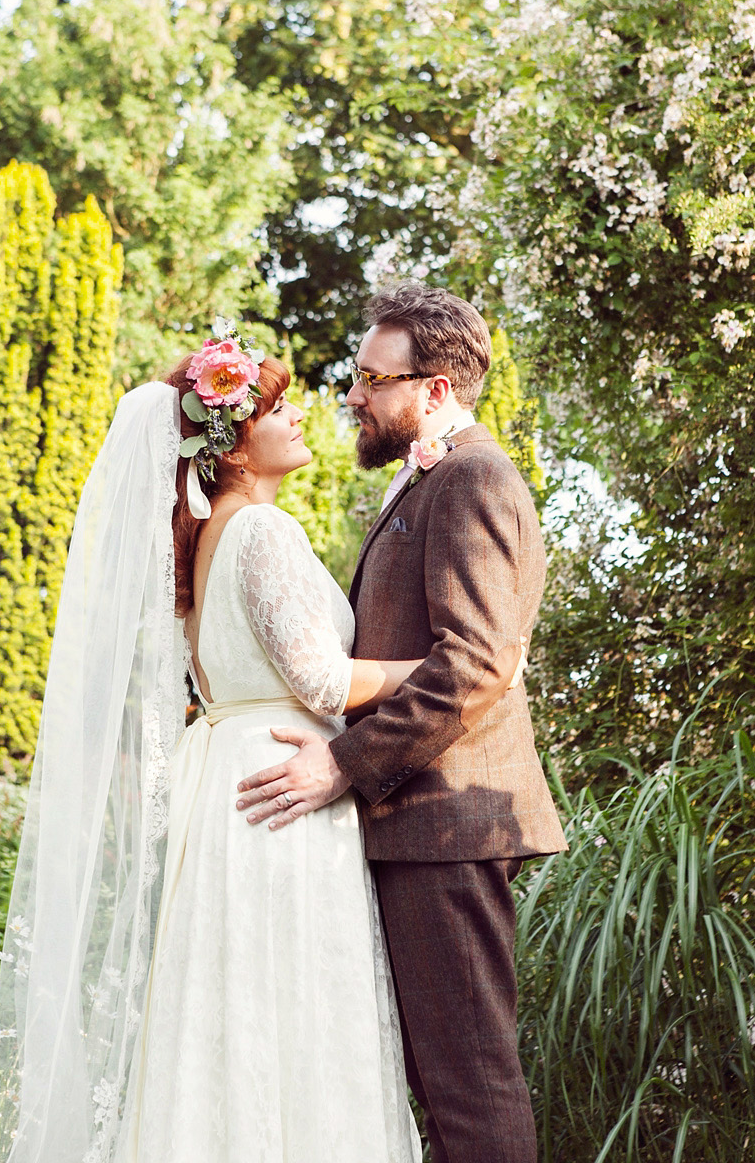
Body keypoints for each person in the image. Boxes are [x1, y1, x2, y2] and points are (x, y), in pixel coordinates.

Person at [0, 322, 431, 1163]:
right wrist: (449, 665)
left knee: (227, 1017)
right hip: (283, 791)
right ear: (232, 447)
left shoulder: (201, 551)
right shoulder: (261, 530)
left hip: (230, 787)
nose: (301, 417)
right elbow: (322, 682)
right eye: (277, 407)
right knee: (292, 1013)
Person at [236, 282, 569, 1163]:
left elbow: (476, 663)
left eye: (370, 379)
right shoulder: (423, 479)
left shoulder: (475, 479)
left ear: (434, 390)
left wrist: (343, 765)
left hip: (448, 821)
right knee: (434, 1079)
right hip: (415, 823)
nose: (352, 395)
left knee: (469, 1080)